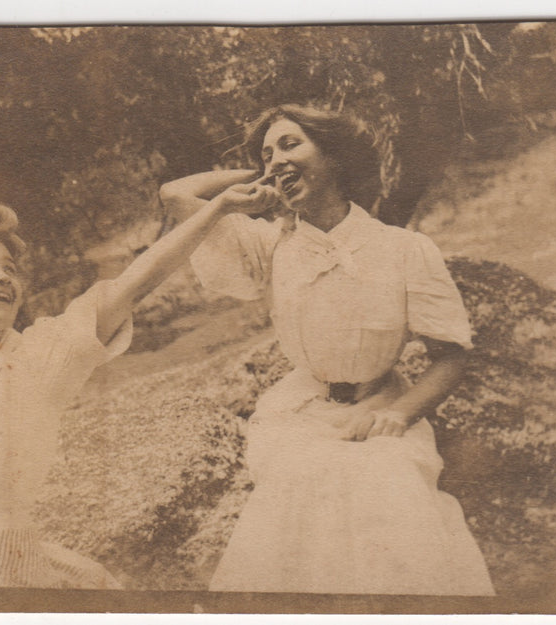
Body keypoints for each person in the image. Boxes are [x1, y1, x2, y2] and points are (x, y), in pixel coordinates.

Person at [0, 197, 274, 587]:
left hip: (2, 566)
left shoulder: (41, 357)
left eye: (10, 269)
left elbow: (133, 283)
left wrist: (216, 210)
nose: (3, 278)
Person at [160, 104, 494, 595]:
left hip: (381, 406)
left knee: (393, 489)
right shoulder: (268, 247)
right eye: (267, 152)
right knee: (297, 497)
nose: (276, 159)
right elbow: (175, 194)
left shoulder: (404, 249)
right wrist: (266, 172)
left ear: (336, 154)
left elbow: (451, 355)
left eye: (291, 143)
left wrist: (400, 415)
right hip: (302, 413)